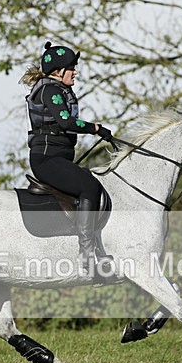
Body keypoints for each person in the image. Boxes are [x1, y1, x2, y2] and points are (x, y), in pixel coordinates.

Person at [20, 41, 114, 274]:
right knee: (89, 188)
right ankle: (86, 252)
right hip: (46, 159)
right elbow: (66, 122)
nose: (75, 72)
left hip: (58, 156)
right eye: (71, 68)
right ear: (58, 72)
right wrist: (95, 128)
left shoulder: (59, 90)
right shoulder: (50, 90)